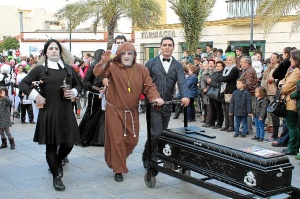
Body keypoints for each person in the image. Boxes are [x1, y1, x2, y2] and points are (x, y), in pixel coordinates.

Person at [93, 42, 164, 182]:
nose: (126, 56)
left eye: (129, 53)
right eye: (124, 53)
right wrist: (106, 59)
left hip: (132, 111)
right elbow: (98, 73)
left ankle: (115, 160)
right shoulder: (112, 66)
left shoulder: (141, 69)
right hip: (114, 109)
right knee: (117, 141)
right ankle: (118, 169)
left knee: (133, 140)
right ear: (119, 55)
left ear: (134, 55)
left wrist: (155, 97)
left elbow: (149, 86)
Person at [19, 39, 81, 191]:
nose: (54, 51)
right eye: (51, 48)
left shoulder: (68, 69)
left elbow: (79, 84)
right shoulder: (40, 69)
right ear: (46, 52)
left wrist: (73, 92)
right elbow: (23, 84)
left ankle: (57, 162)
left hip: (66, 111)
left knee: (69, 143)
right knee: (51, 145)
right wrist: (35, 96)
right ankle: (56, 177)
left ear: (61, 52)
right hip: (49, 112)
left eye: (56, 48)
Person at [141, 37, 189, 166]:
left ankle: (155, 154)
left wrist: (185, 95)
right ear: (160, 47)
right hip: (153, 104)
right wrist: (150, 98)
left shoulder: (178, 65)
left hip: (168, 103)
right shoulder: (150, 63)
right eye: (164, 45)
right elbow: (145, 83)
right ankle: (149, 157)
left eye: (170, 45)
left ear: (173, 47)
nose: (167, 47)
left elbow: (182, 81)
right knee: (156, 132)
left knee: (162, 133)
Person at [78, 49, 106, 147]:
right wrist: (97, 88)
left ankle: (97, 139)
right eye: (102, 55)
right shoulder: (93, 67)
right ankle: (83, 138)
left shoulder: (106, 67)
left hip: (103, 96)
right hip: (94, 96)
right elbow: (85, 81)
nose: (104, 56)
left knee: (100, 118)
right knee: (90, 116)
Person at [279, 49, 300, 155]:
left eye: (292, 58)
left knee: (292, 126)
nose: (290, 59)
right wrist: (282, 84)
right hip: (289, 100)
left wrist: (282, 85)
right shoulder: (292, 69)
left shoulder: (297, 72)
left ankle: (292, 147)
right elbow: (282, 81)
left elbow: (285, 88)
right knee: (292, 125)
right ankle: (293, 146)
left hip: (292, 102)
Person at [217, 56, 239, 132]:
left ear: (233, 61)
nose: (228, 61)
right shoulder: (225, 69)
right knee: (224, 109)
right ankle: (226, 125)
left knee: (230, 109)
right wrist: (223, 79)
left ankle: (231, 126)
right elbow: (219, 78)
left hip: (230, 91)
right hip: (224, 91)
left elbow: (228, 78)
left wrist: (223, 79)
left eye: (230, 60)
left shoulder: (235, 69)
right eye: (227, 60)